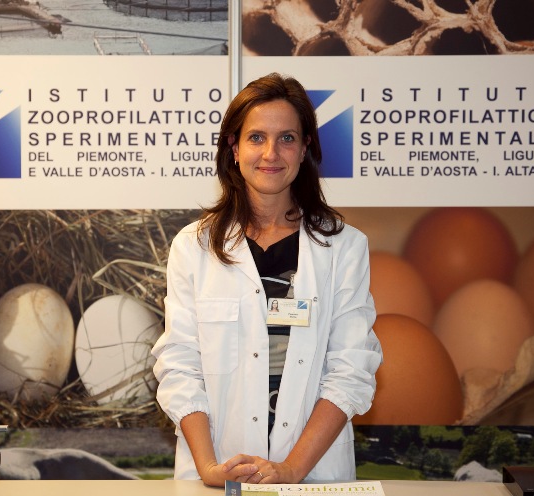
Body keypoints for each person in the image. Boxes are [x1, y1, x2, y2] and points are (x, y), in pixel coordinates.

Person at [152, 73, 382, 487]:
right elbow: (180, 365)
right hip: (217, 471)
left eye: (287, 138)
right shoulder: (193, 247)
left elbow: (351, 370)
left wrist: (291, 469)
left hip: (313, 477)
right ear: (234, 147)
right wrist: (209, 468)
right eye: (256, 137)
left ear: (305, 148)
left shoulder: (345, 248)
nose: (271, 153)